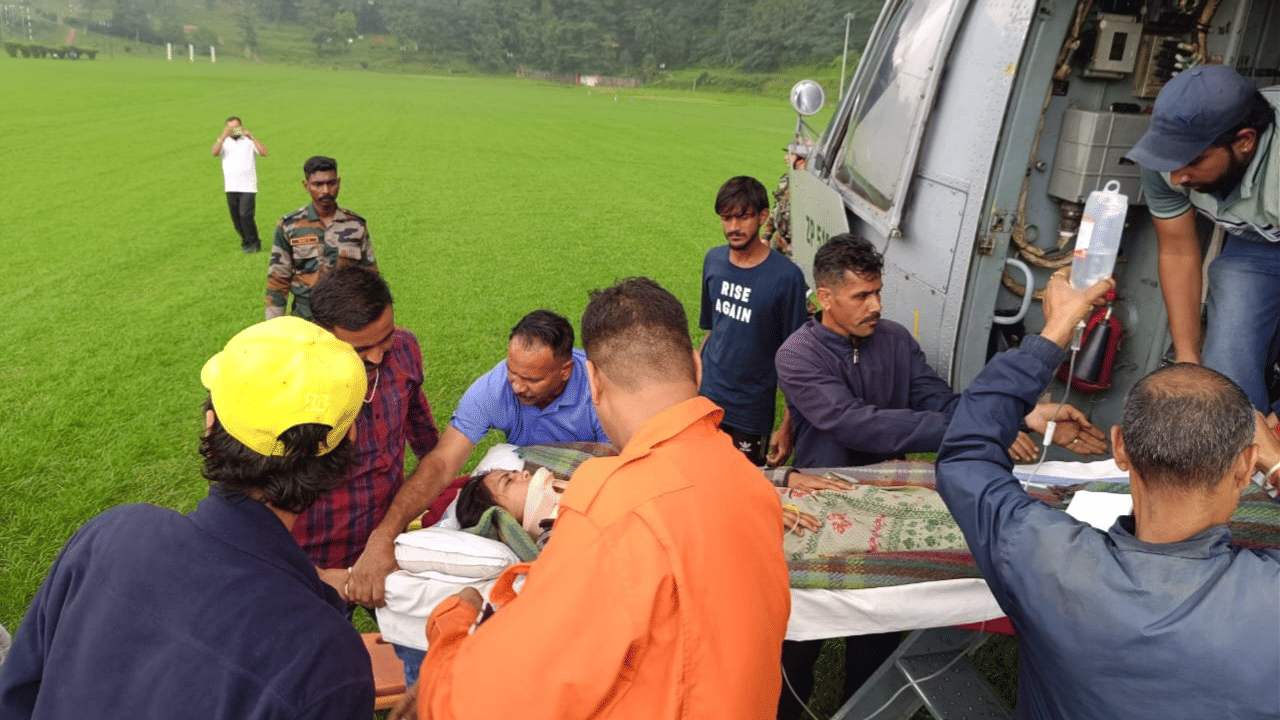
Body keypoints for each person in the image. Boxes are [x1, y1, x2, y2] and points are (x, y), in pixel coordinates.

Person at [408, 277, 791, 719]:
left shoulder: (607, 507)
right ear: (696, 366)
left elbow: (484, 701)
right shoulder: (752, 485)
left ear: (589, 379)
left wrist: (451, 624)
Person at [772, 233, 1105, 718]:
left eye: (879, 291)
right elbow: (856, 424)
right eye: (861, 295)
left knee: (877, 639)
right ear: (825, 298)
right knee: (800, 643)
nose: (876, 305)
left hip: (892, 510)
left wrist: (1020, 417)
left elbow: (942, 403)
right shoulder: (797, 355)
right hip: (821, 510)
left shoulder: (895, 340)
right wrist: (982, 424)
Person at [936, 269, 1280, 719]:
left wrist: (1056, 329)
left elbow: (965, 458)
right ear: (1242, 466)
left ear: (1119, 447)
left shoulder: (1042, 558)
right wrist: (1275, 466)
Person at [0, 317, 375, 719]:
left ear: (210, 423)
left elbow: (16, 695)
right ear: (347, 443)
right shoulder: (329, 659)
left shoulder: (110, 536)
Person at [341, 309, 608, 610]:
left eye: (532, 379)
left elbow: (622, 463)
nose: (518, 386)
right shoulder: (494, 390)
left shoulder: (600, 388)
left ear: (565, 370)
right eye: (513, 372)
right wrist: (384, 536)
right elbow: (441, 463)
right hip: (532, 486)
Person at [1126, 65, 1280, 413]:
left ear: (1245, 141)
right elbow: (1178, 250)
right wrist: (1187, 356)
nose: (1178, 177)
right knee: (1227, 357)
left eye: (1192, 161)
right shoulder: (1164, 163)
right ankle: (1244, 450)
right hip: (1258, 240)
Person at [297, 266, 439, 606]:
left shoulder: (405, 347)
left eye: (385, 337)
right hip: (317, 552)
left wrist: (438, 486)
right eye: (360, 348)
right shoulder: (297, 381)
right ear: (323, 334)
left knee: (404, 630)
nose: (377, 355)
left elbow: (419, 424)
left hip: (390, 532)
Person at [700, 176, 808, 466]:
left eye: (743, 217)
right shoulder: (713, 261)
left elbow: (796, 360)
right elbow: (713, 330)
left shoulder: (787, 279)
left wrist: (787, 427)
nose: (733, 227)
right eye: (726, 218)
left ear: (763, 216)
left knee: (746, 495)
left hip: (751, 411)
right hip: (707, 402)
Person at [266, 155, 378, 320]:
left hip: (347, 318)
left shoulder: (356, 225)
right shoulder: (289, 226)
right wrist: (273, 329)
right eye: (318, 184)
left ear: (338, 183)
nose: (325, 191)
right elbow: (277, 281)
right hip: (305, 318)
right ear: (306, 186)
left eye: (331, 183)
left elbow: (371, 278)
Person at [211, 115, 268, 253]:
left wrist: (252, 137)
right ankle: (246, 241)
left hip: (248, 185)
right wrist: (222, 137)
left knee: (245, 215)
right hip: (231, 185)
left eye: (236, 127)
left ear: (241, 127)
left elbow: (264, 153)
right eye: (230, 128)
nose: (233, 130)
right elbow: (214, 153)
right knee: (236, 218)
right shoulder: (224, 142)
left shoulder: (248, 141)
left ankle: (254, 243)